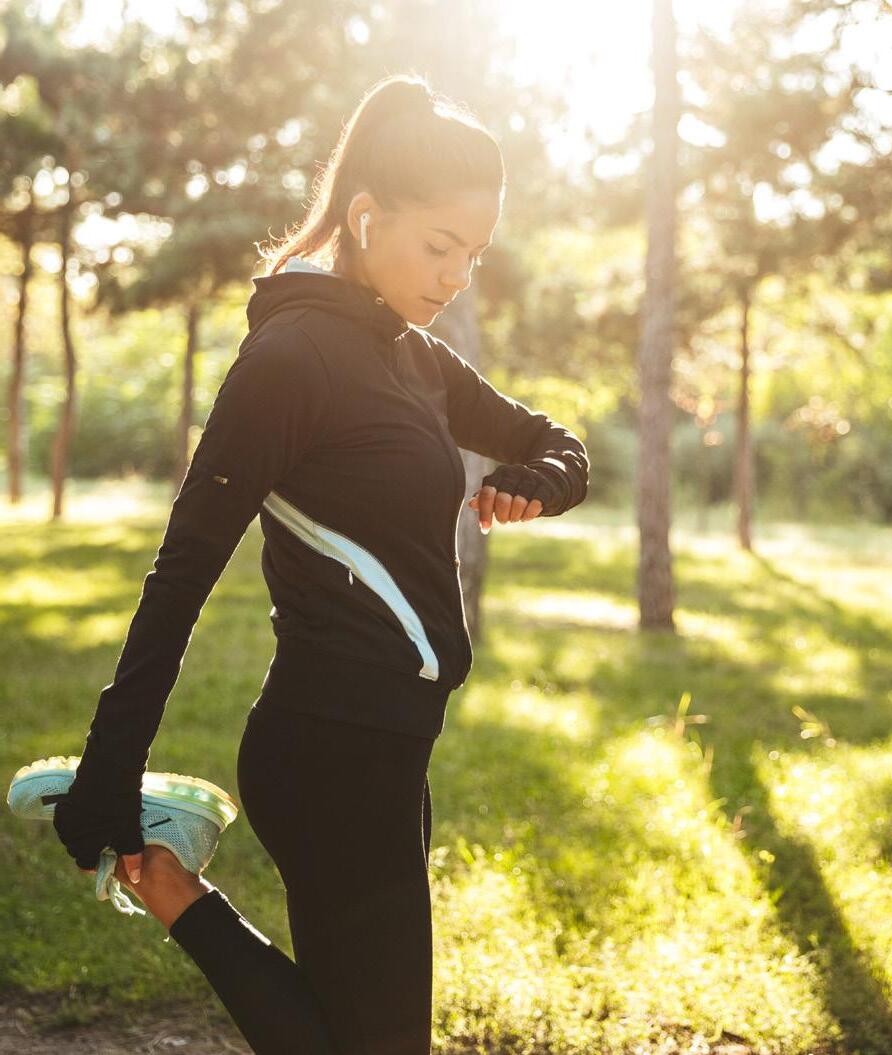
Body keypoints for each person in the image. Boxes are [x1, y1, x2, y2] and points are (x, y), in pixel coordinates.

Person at [48, 72, 589, 1055]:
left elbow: (558, 444)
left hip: (391, 752)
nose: (455, 277)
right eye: (439, 246)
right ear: (367, 215)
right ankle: (169, 887)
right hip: (324, 750)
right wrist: (108, 767)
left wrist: (536, 480)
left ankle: (173, 889)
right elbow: (182, 572)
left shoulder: (413, 357)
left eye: (472, 255)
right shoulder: (291, 358)